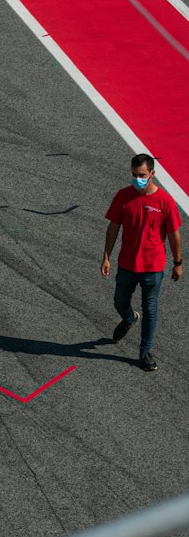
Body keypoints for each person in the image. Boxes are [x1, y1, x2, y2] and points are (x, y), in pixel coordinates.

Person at [102, 153, 182, 373]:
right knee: (119, 301)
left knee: (151, 309)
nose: (137, 178)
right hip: (127, 264)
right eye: (134, 174)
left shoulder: (165, 202)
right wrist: (106, 256)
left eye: (142, 175)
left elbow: (174, 234)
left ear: (152, 174)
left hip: (153, 268)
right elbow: (113, 228)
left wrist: (178, 262)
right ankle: (129, 318)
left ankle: (144, 352)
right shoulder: (123, 197)